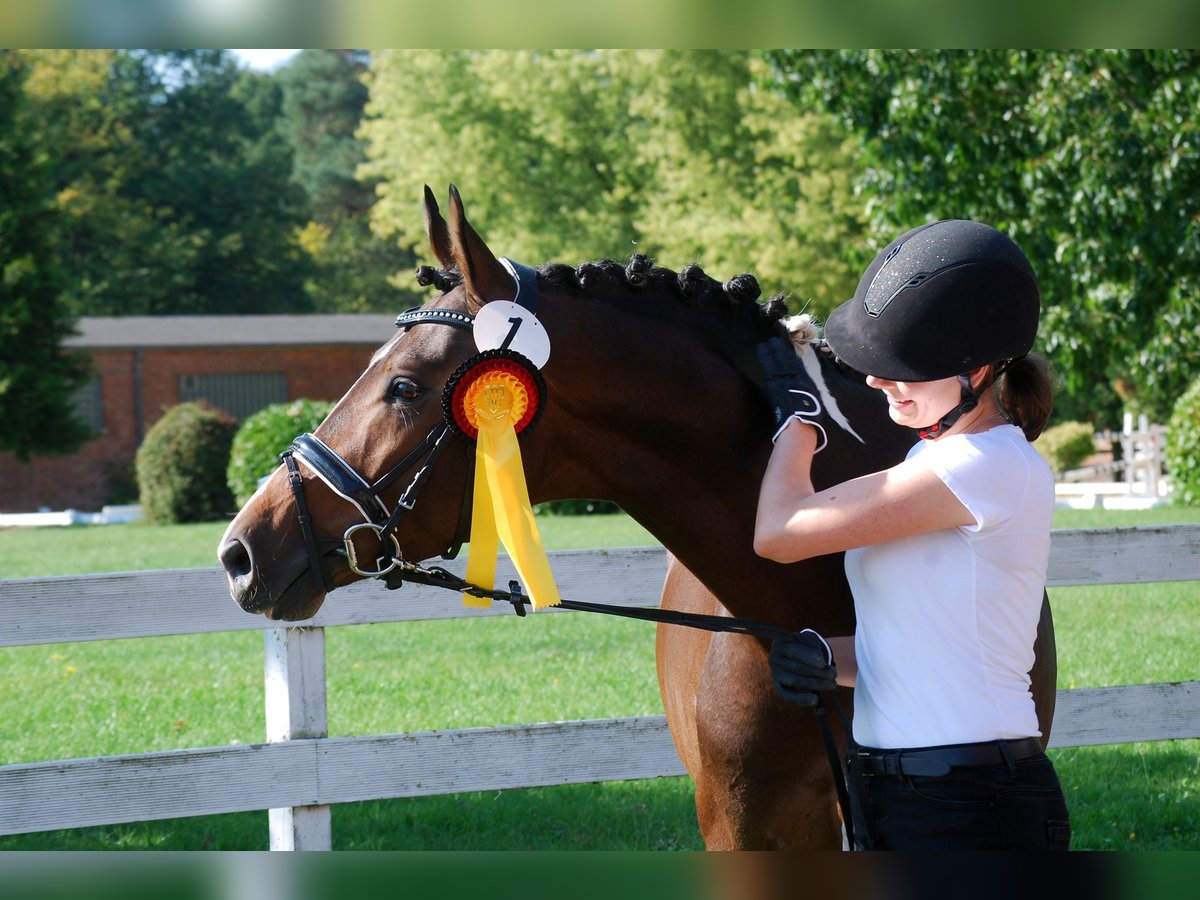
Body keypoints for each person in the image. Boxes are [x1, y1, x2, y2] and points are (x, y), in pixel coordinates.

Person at [754, 219, 1071, 850]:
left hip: (970, 803)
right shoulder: (927, 466)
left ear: (977, 371)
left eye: (901, 367)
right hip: (894, 793)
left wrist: (798, 418)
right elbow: (919, 653)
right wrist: (830, 659)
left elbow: (780, 532)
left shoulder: (985, 467)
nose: (875, 381)